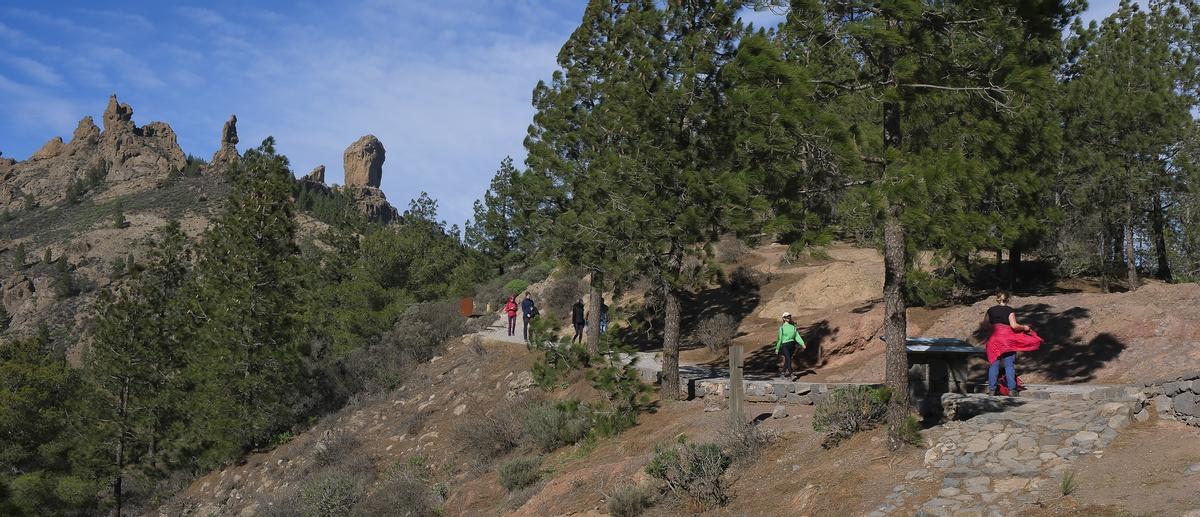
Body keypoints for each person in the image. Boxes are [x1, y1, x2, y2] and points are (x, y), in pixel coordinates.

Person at [984, 292, 1043, 396]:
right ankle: (1012, 390)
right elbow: (1014, 326)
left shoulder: (990, 311)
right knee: (1009, 365)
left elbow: (985, 326)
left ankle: (992, 390)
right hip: (1007, 340)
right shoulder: (1009, 310)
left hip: (994, 340)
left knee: (993, 365)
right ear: (1007, 300)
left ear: (997, 299)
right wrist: (1024, 327)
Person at [775, 312, 805, 379]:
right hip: (785, 345)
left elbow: (797, 336)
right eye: (786, 316)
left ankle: (782, 373)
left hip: (792, 345)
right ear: (783, 318)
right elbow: (779, 339)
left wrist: (802, 343)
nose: (788, 317)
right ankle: (791, 374)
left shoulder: (793, 327)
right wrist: (777, 348)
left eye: (789, 316)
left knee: (788, 360)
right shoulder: (782, 328)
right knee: (788, 359)